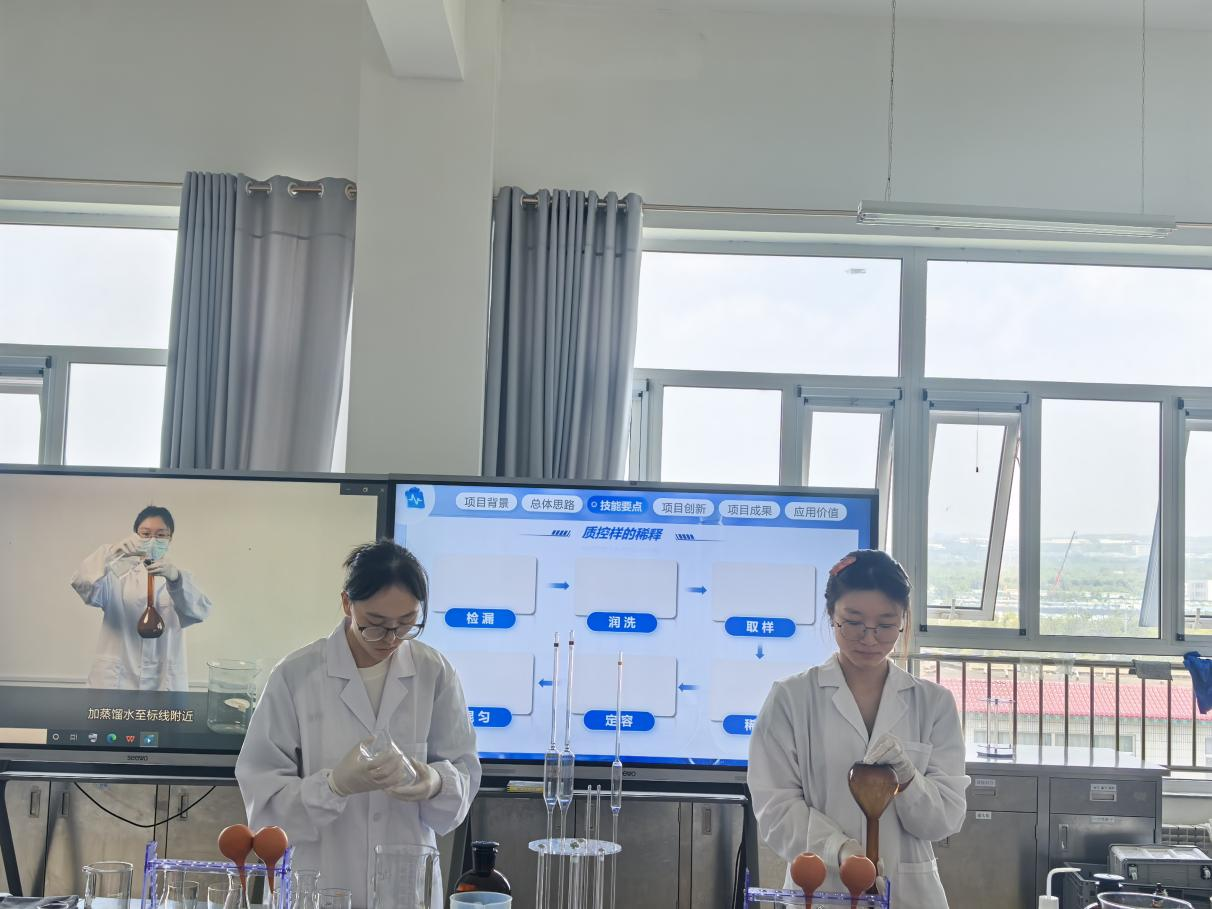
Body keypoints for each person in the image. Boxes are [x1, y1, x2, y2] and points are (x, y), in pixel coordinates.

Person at [236, 540, 480, 909]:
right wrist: (333, 786)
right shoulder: (296, 675)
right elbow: (264, 805)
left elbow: (464, 775)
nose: (391, 639)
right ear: (347, 604)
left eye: (407, 623)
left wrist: (435, 783)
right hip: (318, 883)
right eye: (376, 625)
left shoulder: (435, 673)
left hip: (405, 890)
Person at [748, 549, 969, 909]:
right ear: (831, 616)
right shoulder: (790, 699)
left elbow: (944, 819)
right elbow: (776, 810)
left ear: (903, 620)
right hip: (820, 890)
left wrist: (907, 780)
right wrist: (840, 850)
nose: (869, 638)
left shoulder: (933, 703)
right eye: (853, 622)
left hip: (909, 893)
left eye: (886, 625)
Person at [71, 505, 213, 691]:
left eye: (161, 535)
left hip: (163, 681)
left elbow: (200, 611)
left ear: (170, 538)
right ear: (134, 536)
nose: (152, 540)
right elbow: (81, 583)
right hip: (117, 681)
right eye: (145, 534)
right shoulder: (116, 577)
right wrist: (110, 554)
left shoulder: (180, 580)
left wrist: (176, 578)